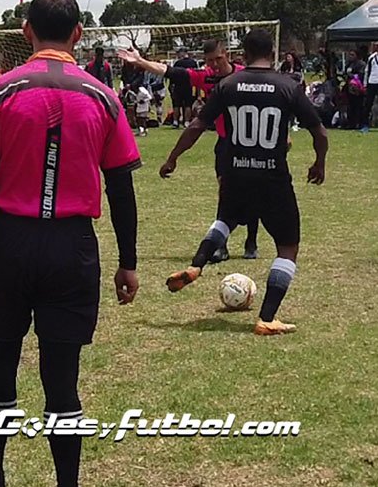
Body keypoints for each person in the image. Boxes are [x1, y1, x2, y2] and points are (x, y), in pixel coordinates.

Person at [0, 0, 140, 487]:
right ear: (79, 34)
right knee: (62, 379)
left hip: (7, 242)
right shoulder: (103, 95)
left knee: (0, 363)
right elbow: (121, 186)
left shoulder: (0, 92)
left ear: (25, 30)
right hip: (72, 247)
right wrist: (129, 261)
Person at [159, 29, 328, 336]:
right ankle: (266, 317)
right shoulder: (288, 85)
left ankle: (197, 265)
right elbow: (319, 131)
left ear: (244, 55)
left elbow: (197, 124)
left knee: (224, 220)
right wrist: (319, 163)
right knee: (287, 248)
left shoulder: (228, 85)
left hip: (236, 172)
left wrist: (172, 158)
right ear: (272, 54)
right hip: (273, 177)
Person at [119, 39, 260, 261]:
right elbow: (169, 71)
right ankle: (221, 245)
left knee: (253, 192)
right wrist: (140, 61)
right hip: (225, 143)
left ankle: (251, 240)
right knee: (225, 191)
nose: (214, 64)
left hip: (251, 142)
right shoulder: (205, 77)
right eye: (209, 61)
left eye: (218, 59)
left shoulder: (245, 75)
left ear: (227, 54)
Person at [169, 48, 197, 128]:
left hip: (178, 86)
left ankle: (175, 121)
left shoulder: (177, 63)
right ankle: (187, 121)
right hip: (189, 86)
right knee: (188, 104)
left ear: (182, 53)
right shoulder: (193, 63)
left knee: (176, 105)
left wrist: (171, 86)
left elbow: (173, 75)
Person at [344, 50, 367, 129]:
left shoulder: (361, 64)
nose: (350, 56)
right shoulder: (349, 64)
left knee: (358, 106)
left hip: (358, 88)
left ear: (357, 55)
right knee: (350, 106)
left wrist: (352, 76)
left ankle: (359, 123)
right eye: (350, 55)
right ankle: (351, 123)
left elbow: (361, 75)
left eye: (352, 55)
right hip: (349, 88)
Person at [363, 42, 378, 131]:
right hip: (372, 82)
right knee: (368, 104)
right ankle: (365, 124)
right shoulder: (371, 58)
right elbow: (367, 71)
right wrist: (365, 84)